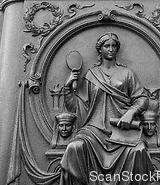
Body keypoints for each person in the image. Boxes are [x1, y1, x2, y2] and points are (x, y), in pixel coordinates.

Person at [60, 32, 154, 185]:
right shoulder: (91, 75)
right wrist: (68, 87)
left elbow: (142, 98)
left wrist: (131, 113)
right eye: (107, 46)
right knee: (74, 147)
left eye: (114, 46)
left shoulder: (127, 74)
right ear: (100, 50)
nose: (110, 49)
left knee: (139, 150)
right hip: (94, 131)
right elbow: (78, 107)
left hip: (122, 131)